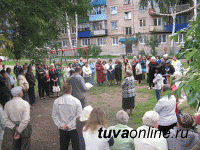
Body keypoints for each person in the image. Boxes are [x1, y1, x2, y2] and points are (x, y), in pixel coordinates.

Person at [52, 83, 82, 150]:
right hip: (74, 128)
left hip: (63, 128)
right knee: (76, 146)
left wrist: (62, 125)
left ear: (63, 90)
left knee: (63, 146)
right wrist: (70, 125)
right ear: (71, 90)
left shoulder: (57, 101)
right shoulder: (76, 101)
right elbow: (79, 116)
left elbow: (55, 116)